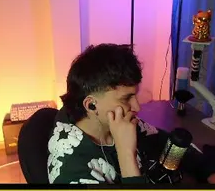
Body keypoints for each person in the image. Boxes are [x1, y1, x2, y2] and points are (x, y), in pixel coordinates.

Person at [48, 43, 160, 184]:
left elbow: (166, 142)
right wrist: (126, 153)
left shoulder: (120, 122)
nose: (137, 107)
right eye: (126, 98)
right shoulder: (70, 171)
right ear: (91, 105)